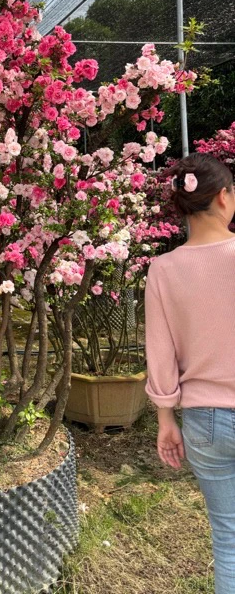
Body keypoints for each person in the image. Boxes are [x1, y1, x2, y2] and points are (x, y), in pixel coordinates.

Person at [145, 152, 235, 594]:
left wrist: (165, 418)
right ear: (224, 197)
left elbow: (160, 351)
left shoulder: (162, 269)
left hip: (204, 421)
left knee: (230, 542)